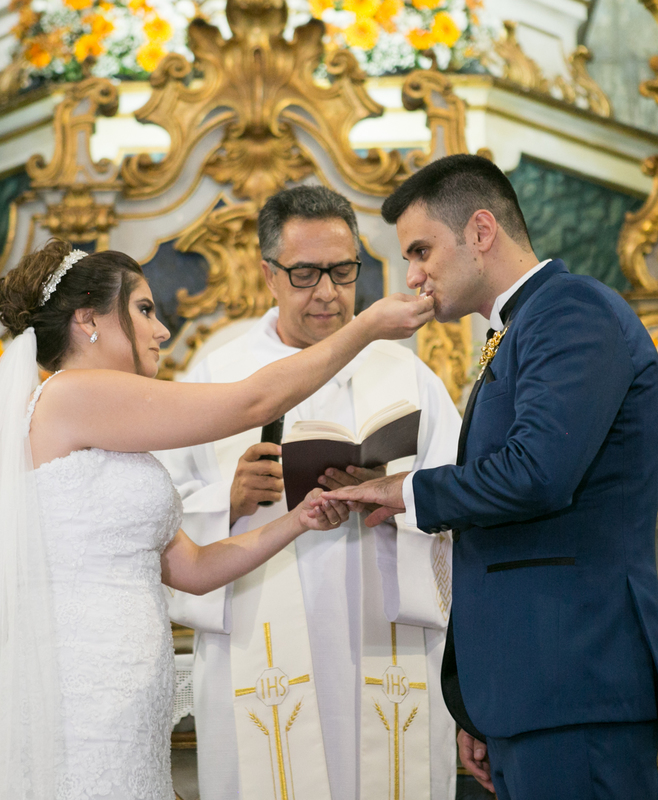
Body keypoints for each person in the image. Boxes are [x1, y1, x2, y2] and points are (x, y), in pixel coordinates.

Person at [0, 239, 434, 800]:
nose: (161, 330)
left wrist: (297, 521)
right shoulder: (71, 395)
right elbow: (253, 400)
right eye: (145, 309)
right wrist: (366, 326)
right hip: (81, 686)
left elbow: (194, 569)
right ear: (89, 321)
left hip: (126, 689)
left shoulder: (109, 426)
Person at [319, 154, 658, 800]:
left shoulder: (570, 312)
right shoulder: (517, 328)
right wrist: (479, 704)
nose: (413, 275)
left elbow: (537, 474)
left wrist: (403, 491)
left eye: (422, 250)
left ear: (481, 232)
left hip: (575, 684)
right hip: (531, 690)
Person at [157, 186, 461, 800]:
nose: (327, 291)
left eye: (342, 271)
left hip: (382, 626)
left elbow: (463, 497)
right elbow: (159, 515)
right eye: (304, 274)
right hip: (259, 640)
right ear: (268, 275)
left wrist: (393, 494)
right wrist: (232, 498)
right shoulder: (220, 375)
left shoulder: (408, 376)